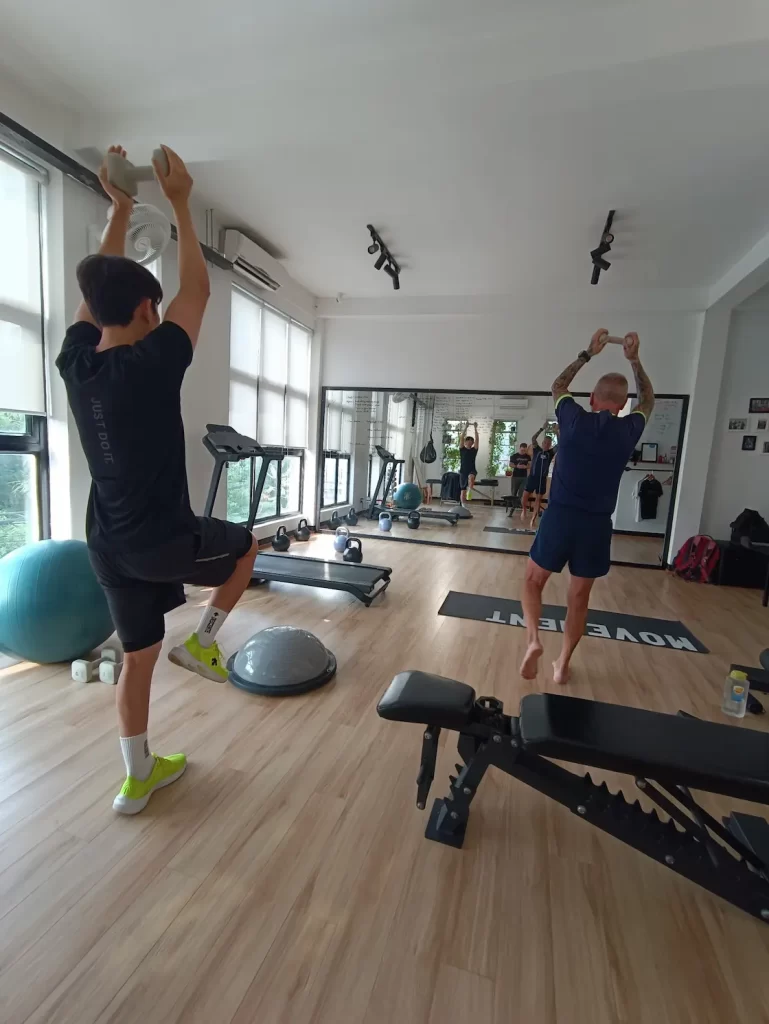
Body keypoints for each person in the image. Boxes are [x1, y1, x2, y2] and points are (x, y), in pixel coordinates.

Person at [56, 145, 257, 815]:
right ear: (148, 308)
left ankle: (136, 777)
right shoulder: (153, 362)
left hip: (106, 545)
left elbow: (100, 298)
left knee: (138, 656)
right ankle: (204, 642)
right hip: (161, 539)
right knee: (247, 543)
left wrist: (119, 210)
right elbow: (196, 291)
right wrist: (179, 201)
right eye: (156, 304)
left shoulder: (76, 364)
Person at [519, 329, 655, 685]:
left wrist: (588, 354)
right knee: (578, 599)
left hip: (561, 516)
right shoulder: (629, 429)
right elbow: (649, 401)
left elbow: (558, 385)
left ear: (592, 398)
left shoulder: (574, 419)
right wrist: (634, 359)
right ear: (622, 404)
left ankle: (534, 641)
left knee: (533, 583)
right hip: (596, 525)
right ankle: (562, 665)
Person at [520, 422, 555, 527]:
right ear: (543, 443)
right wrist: (542, 428)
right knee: (525, 496)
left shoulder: (551, 453)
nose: (547, 444)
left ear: (550, 444)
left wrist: (556, 431)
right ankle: (524, 509)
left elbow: (561, 443)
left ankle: (533, 518)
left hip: (542, 479)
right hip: (532, 477)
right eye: (545, 442)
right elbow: (533, 438)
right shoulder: (537, 450)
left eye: (549, 443)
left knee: (538, 499)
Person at [507, 441, 531, 515]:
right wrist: (517, 466)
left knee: (521, 492)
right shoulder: (514, 456)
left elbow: (530, 465)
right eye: (522, 450)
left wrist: (525, 467)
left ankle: (519, 506)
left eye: (524, 450)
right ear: (519, 448)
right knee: (513, 492)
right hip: (515, 477)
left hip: (524, 477)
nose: (523, 451)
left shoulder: (528, 457)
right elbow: (510, 464)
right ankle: (513, 507)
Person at [458, 421, 479, 505]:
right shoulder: (462, 449)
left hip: (472, 470)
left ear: (473, 443)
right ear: (466, 442)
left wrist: (475, 428)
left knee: (471, 477)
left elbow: (477, 439)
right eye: (468, 441)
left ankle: (470, 491)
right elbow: (462, 437)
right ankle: (463, 505)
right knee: (463, 490)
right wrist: (466, 427)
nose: (470, 443)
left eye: (471, 442)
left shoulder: (474, 450)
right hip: (463, 471)